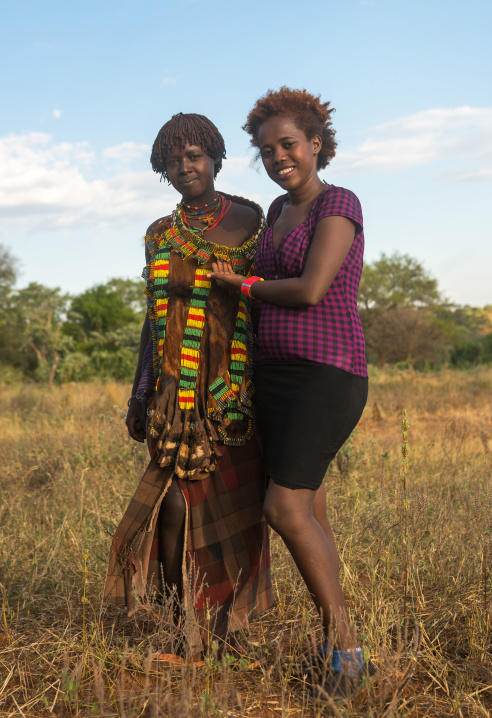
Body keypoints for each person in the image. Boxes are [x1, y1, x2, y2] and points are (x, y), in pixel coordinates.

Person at [207, 88, 374, 699]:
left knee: (284, 510)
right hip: (273, 377)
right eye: (267, 149)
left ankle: (349, 655)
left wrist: (244, 285)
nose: (279, 157)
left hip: (326, 372)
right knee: (311, 511)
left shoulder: (339, 203)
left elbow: (309, 290)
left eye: (289, 145)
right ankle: (339, 643)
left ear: (316, 145)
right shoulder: (275, 212)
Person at [104, 113, 272, 656]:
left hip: (234, 391)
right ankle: (182, 627)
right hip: (174, 394)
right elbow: (153, 320)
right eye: (173, 161)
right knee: (175, 502)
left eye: (195, 155)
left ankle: (233, 627)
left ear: (217, 158)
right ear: (163, 170)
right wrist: (138, 393)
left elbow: (268, 297)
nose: (185, 167)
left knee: (241, 508)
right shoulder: (158, 234)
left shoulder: (251, 219)